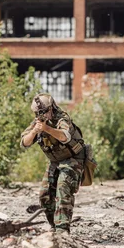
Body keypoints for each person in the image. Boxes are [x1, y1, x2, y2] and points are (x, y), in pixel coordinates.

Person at [20, 93, 85, 233]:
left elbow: (65, 136)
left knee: (63, 189)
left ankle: (62, 230)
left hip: (73, 158)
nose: (41, 115)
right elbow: (24, 142)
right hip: (55, 161)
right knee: (45, 195)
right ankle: (54, 226)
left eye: (43, 112)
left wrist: (46, 129)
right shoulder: (37, 122)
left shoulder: (61, 118)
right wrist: (35, 131)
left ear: (51, 108)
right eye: (37, 113)